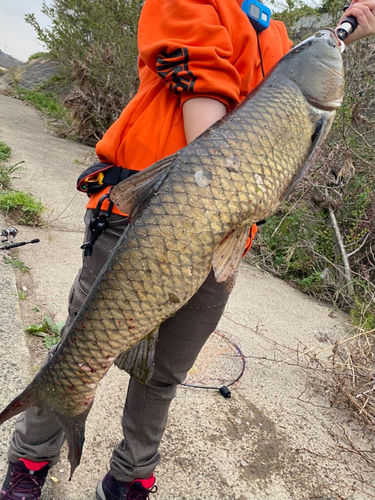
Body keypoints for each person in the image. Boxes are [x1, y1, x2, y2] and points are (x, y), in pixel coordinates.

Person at [1, 0, 374, 499]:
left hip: (226, 235)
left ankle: (131, 476)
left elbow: (302, 76)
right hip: (148, 217)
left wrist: (342, 35)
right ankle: (30, 461)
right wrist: (216, 187)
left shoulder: (279, 36)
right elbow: (204, 82)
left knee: (165, 373)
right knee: (80, 347)